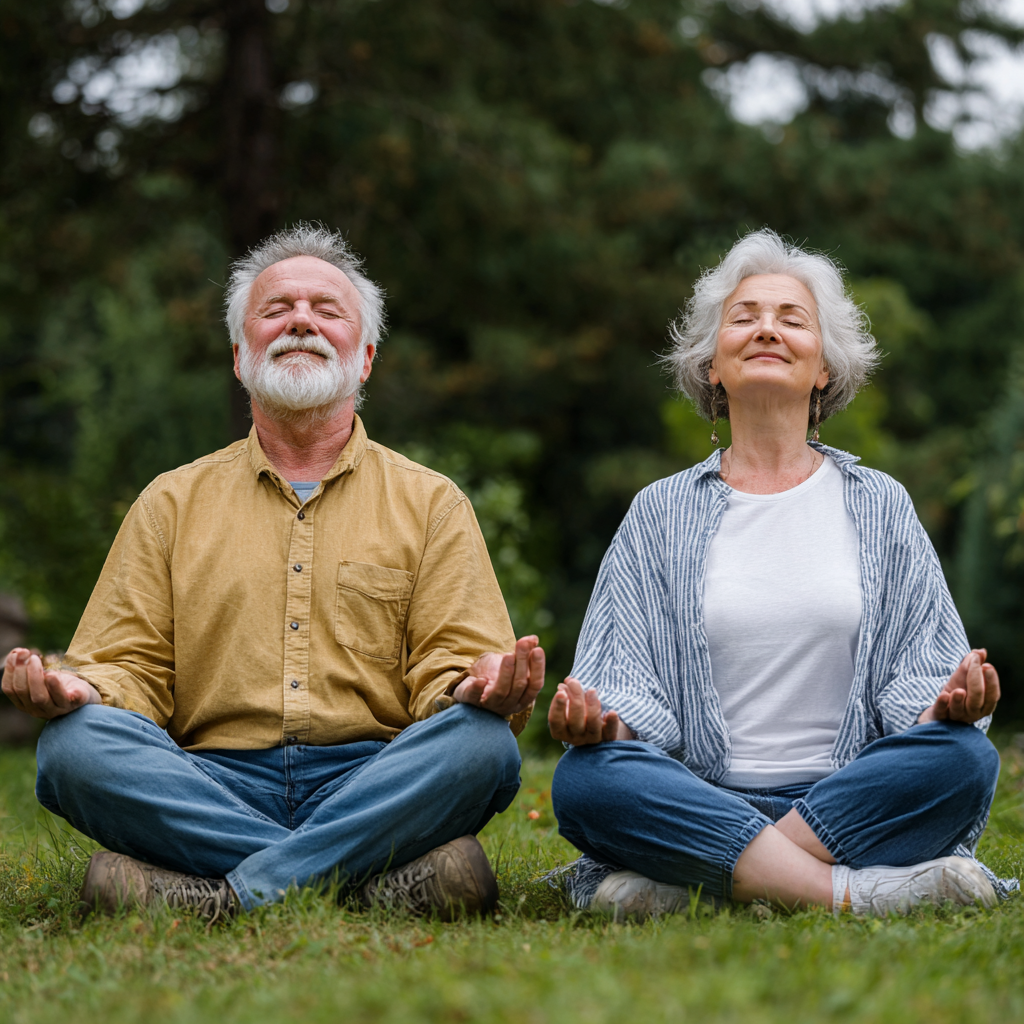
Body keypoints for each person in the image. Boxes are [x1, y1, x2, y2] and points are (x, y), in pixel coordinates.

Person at [2, 224, 544, 922]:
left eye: (327, 309)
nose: (301, 321)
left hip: (373, 781)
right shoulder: (171, 501)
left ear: (367, 356)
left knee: (481, 746)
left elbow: (451, 676)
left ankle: (224, 898)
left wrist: (479, 688)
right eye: (276, 308)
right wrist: (80, 686)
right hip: (207, 782)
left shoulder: (432, 502)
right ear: (238, 355)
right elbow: (126, 669)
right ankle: (365, 882)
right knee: (74, 748)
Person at [547, 228, 1014, 920]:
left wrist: (945, 707)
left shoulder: (879, 503)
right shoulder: (660, 510)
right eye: (746, 317)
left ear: (824, 367)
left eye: (792, 319)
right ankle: (851, 894)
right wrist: (599, 724)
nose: (767, 328)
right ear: (713, 366)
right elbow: (619, 680)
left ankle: (706, 880)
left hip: (846, 796)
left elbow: (925, 674)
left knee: (965, 761)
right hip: (696, 793)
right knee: (588, 780)